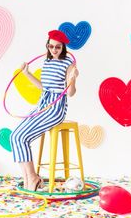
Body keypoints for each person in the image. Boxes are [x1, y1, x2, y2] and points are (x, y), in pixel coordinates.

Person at [10, 30, 79, 191]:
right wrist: (26, 73)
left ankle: (33, 178)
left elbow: (70, 93)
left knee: (21, 137)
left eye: (58, 47)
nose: (54, 50)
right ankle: (29, 177)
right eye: (51, 46)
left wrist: (73, 79)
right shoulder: (47, 62)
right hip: (43, 105)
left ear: (63, 48)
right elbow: (43, 87)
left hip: (55, 109)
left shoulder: (69, 64)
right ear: (47, 45)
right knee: (15, 136)